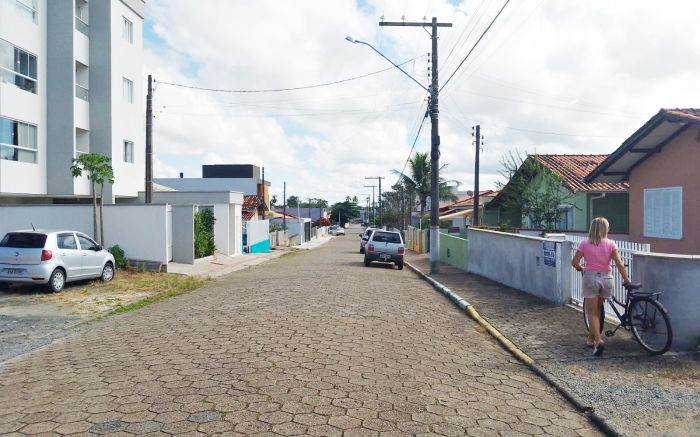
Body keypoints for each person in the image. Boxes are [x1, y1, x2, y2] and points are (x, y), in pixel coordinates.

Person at [571, 217, 631, 356]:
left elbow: (574, 262)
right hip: (607, 278)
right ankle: (591, 339)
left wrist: (581, 268)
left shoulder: (584, 244)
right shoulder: (611, 244)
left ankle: (598, 341)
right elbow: (620, 264)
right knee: (597, 310)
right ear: (606, 229)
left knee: (591, 313)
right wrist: (626, 280)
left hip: (591, 278)